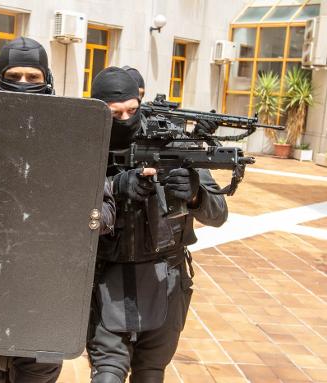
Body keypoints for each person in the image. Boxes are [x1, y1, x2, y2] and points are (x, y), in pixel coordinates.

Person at [0, 36, 114, 383]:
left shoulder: (71, 135)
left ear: (47, 80)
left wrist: (80, 218)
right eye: (16, 75)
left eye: (33, 77)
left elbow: (105, 208)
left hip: (42, 292)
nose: (24, 84)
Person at [87, 66, 228, 383]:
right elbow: (66, 204)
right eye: (115, 114)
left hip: (165, 280)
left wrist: (193, 195)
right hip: (106, 280)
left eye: (132, 111)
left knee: (150, 374)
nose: (125, 120)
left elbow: (218, 213)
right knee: (106, 376)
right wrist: (116, 185)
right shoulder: (86, 145)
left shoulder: (172, 141)